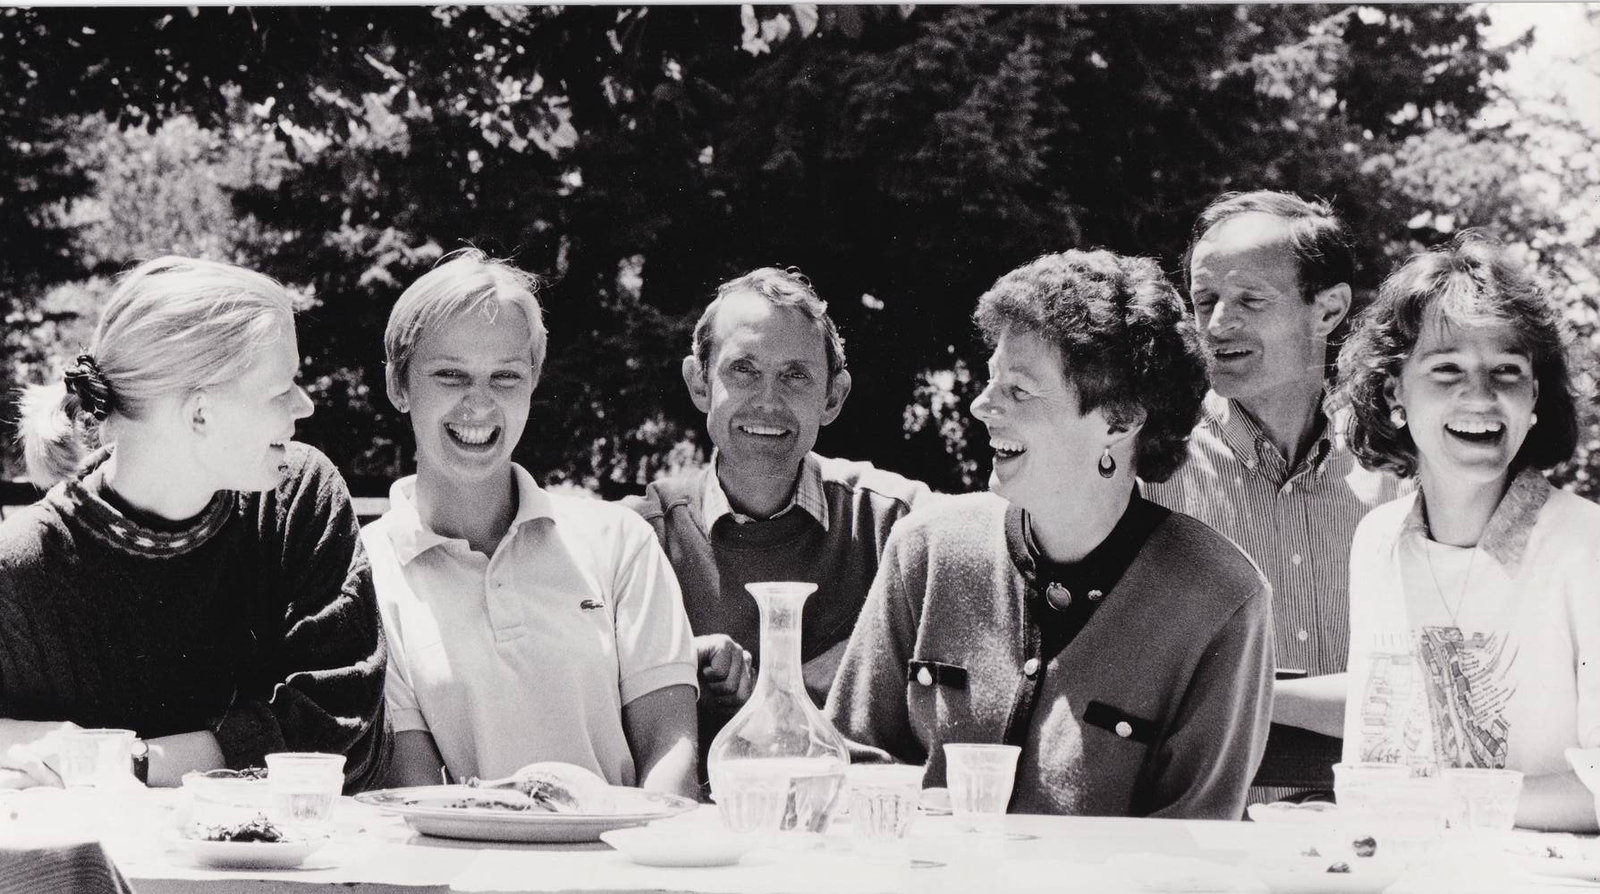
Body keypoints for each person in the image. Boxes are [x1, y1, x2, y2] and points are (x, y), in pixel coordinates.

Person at [826, 250, 1273, 818]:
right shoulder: (925, 549)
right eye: (992, 380)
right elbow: (851, 766)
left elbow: (1195, 838)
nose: (981, 405)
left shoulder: (1221, 600)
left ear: (1119, 420)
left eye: (1019, 390)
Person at [0, 256, 388, 790]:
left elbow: (340, 728)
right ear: (199, 414)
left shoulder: (300, 495)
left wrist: (123, 763)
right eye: (282, 389)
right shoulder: (21, 568)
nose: (305, 406)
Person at [363, 250, 698, 797]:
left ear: (533, 381)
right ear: (398, 385)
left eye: (506, 377)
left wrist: (644, 849)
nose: (479, 404)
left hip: (622, 849)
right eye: (450, 375)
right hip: (457, 851)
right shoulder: (363, 573)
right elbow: (415, 790)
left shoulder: (619, 541)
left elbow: (671, 748)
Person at [1142, 191, 1404, 803]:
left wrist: (1240, 694)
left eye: (1250, 301)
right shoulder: (1149, 466)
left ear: (1329, 309)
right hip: (1200, 837)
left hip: (1365, 837)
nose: (1217, 325)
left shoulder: (1400, 473)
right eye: (1204, 300)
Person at [1335, 236, 1596, 832]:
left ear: (1534, 396)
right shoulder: (1376, 541)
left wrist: (1441, 806)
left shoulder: (1587, 547)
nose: (1480, 395)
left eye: (1507, 371)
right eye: (1446, 369)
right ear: (1394, 391)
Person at [625, 268, 929, 741]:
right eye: (743, 370)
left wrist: (854, 657)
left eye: (795, 375)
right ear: (699, 384)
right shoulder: (637, 538)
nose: (768, 401)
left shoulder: (897, 522)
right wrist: (676, 666)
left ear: (833, 397)